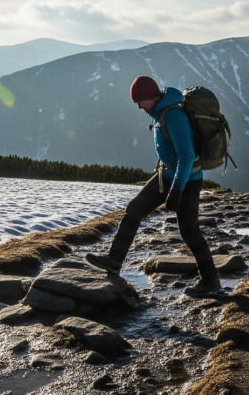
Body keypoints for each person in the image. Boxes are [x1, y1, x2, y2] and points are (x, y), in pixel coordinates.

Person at [86, 75, 221, 298]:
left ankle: (210, 280)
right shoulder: (160, 113)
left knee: (189, 231)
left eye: (140, 101)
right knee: (134, 210)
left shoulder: (174, 116)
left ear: (151, 96)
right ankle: (114, 261)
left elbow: (186, 157)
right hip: (166, 175)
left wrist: (177, 190)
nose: (138, 106)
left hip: (187, 179)